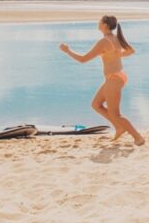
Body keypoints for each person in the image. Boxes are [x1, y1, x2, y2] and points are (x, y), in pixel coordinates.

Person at [59, 15, 144, 145]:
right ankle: (119, 128)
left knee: (115, 114)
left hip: (114, 78)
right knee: (96, 105)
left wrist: (67, 51)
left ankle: (137, 137)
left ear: (105, 25)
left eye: (100, 21)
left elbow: (83, 59)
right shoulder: (115, 38)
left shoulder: (104, 42)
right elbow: (131, 51)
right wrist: (117, 55)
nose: (98, 23)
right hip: (117, 76)